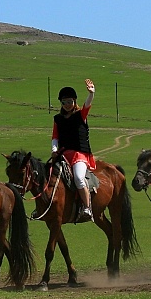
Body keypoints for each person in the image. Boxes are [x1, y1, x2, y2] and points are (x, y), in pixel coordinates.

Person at [51, 79, 96, 223]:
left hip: (79, 155)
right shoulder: (58, 119)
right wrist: (54, 150)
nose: (67, 104)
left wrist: (91, 93)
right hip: (63, 155)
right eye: (64, 102)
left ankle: (87, 208)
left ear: (74, 101)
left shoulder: (80, 115)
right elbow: (55, 136)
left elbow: (87, 105)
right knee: (48, 175)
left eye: (69, 101)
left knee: (78, 178)